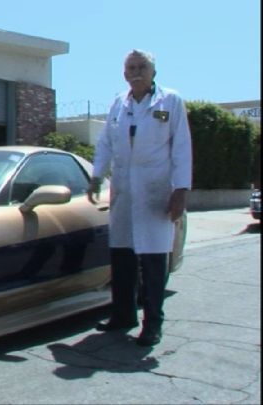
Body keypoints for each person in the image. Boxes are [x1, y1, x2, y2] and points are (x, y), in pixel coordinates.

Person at [87, 49, 192, 346]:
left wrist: (180, 190)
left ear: (153, 72)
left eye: (141, 67)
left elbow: (182, 147)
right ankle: (123, 314)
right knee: (122, 256)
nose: (135, 71)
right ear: (124, 73)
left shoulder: (170, 101)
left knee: (154, 259)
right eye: (130, 67)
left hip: (155, 187)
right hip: (124, 187)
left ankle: (153, 323)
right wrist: (96, 175)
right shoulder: (119, 104)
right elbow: (106, 142)